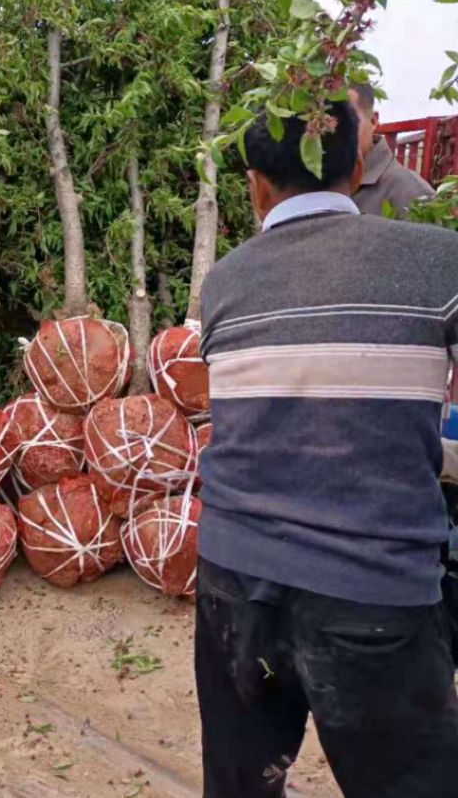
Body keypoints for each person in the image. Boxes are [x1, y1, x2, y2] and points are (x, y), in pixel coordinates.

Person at [196, 96, 458, 798]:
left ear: (255, 183)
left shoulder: (222, 283)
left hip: (237, 593)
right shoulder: (440, 261)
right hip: (370, 605)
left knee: (242, 782)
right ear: (358, 165)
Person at [347, 81, 436, 218]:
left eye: (346, 123)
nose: (333, 136)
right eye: (323, 125)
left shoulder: (412, 194)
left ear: (372, 121)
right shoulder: (314, 184)